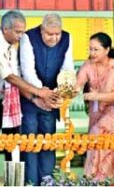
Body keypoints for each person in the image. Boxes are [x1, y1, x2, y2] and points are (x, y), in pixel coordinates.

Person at [0, 10, 57, 182]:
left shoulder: (10, 48)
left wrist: (35, 100)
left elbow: (17, 80)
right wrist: (39, 91)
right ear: (5, 29)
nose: (21, 35)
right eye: (18, 32)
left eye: (23, 31)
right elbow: (9, 76)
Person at [19, 13, 74, 185]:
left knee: (48, 141)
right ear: (42, 30)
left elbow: (67, 69)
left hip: (50, 102)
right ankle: (30, 182)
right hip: (30, 99)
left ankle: (47, 181)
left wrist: (58, 93)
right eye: (50, 34)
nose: (55, 38)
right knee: (30, 142)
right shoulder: (28, 37)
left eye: (57, 34)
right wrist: (40, 94)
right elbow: (27, 71)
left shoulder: (67, 38)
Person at [75, 32, 114, 179]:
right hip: (96, 115)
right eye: (90, 49)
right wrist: (64, 91)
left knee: (111, 149)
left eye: (96, 49)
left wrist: (96, 96)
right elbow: (77, 86)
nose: (92, 53)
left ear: (107, 49)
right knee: (96, 147)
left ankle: (107, 181)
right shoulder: (88, 66)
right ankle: (97, 180)